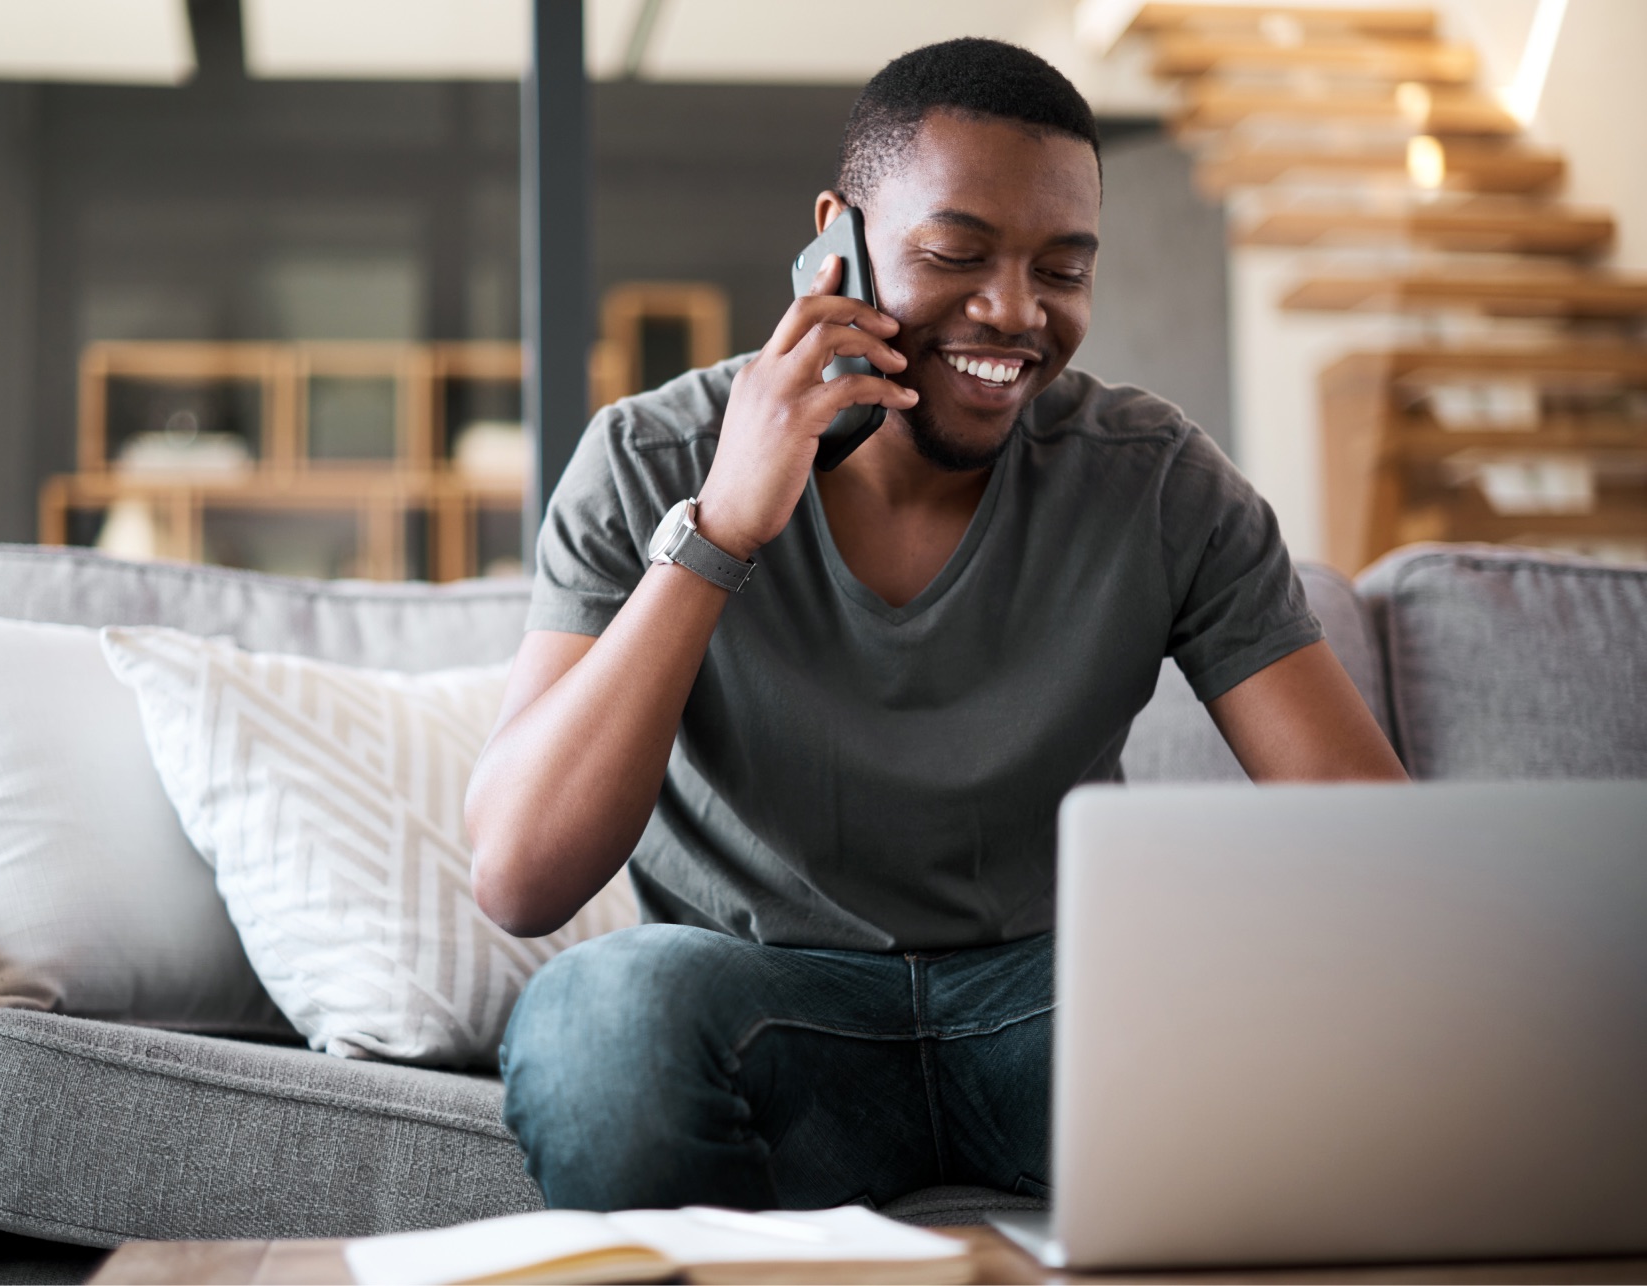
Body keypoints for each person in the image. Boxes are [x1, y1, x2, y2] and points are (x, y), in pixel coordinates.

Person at [464, 37, 1406, 1213]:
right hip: (771, 1013)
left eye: (1063, 270)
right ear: (837, 240)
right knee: (598, 1017)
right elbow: (518, 874)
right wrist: (721, 528)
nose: (1015, 313)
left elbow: (1382, 861)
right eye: (956, 253)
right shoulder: (645, 458)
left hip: (1053, 1014)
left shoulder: (1157, 482)